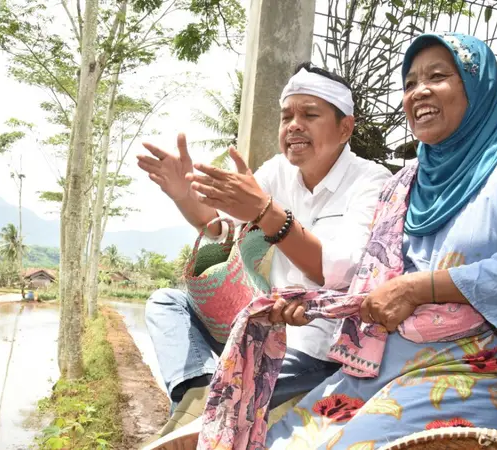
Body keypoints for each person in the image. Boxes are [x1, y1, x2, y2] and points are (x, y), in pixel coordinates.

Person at [189, 32, 497, 449]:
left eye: (438, 76)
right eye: (409, 83)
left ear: (476, 87)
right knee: (278, 441)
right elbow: (370, 283)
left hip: (474, 373)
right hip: (379, 368)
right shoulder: (403, 184)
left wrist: (417, 288)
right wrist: (311, 303)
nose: (419, 91)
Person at [136, 62, 392, 438]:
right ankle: (200, 385)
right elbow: (219, 228)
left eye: (309, 114)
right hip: (260, 323)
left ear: (345, 128)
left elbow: (341, 271)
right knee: (166, 303)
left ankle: (207, 406)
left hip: (313, 343)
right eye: (287, 115)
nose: (293, 125)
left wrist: (268, 214)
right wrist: (183, 195)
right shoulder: (277, 171)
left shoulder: (373, 182)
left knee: (210, 417)